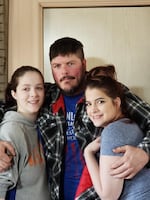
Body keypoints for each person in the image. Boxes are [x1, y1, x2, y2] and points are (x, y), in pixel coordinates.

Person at [0, 38, 149, 200]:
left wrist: (144, 152)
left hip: (97, 193)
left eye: (70, 64)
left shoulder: (106, 91)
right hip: (56, 195)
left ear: (84, 63)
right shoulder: (44, 95)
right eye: (57, 66)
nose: (64, 72)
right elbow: (7, 109)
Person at [83, 74, 150, 199]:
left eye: (100, 102)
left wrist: (88, 153)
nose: (93, 110)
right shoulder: (129, 124)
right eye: (88, 104)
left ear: (116, 102)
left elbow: (108, 196)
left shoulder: (113, 131)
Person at [0, 66, 49, 200]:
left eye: (39, 88)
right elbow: (1, 183)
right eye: (26, 89)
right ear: (14, 93)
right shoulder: (12, 129)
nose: (33, 94)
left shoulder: (43, 124)